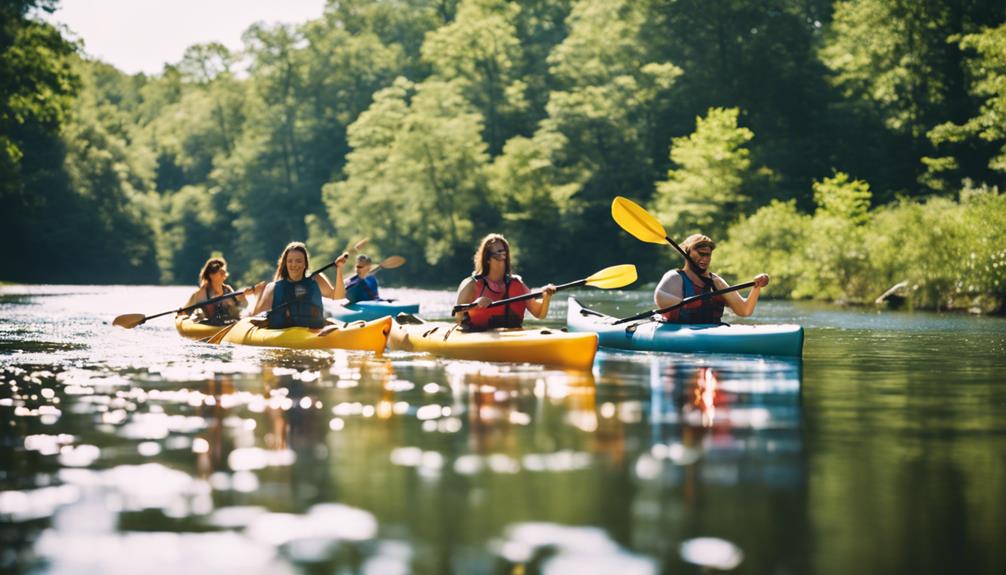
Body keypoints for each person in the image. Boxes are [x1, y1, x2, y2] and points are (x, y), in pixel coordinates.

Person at [653, 234, 770, 323]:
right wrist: (690, 303)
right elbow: (660, 298)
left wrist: (757, 287)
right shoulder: (675, 277)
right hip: (679, 331)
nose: (705, 259)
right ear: (687, 253)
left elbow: (744, 311)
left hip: (712, 330)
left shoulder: (716, 282)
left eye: (708, 255)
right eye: (700, 254)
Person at [454, 233, 557, 329]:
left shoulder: (517, 284)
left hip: (511, 338)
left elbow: (539, 314)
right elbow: (457, 316)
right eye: (499, 253)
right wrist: (475, 305)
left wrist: (546, 297)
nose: (503, 256)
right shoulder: (471, 285)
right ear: (487, 258)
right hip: (477, 336)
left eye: (505, 252)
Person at [251, 242, 348, 328]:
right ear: (285, 264)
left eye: (298, 261)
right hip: (283, 336)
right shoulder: (273, 287)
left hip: (313, 332)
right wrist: (258, 296)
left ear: (305, 263)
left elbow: (338, 297)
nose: (294, 265)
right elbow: (255, 316)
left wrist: (339, 269)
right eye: (290, 261)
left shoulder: (316, 279)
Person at [180, 257, 254, 326]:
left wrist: (242, 298)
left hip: (230, 324)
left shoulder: (228, 289)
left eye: (224, 271)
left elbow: (243, 306)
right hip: (210, 325)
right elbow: (185, 312)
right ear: (211, 275)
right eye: (220, 271)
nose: (223, 274)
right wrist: (181, 313)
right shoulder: (200, 294)